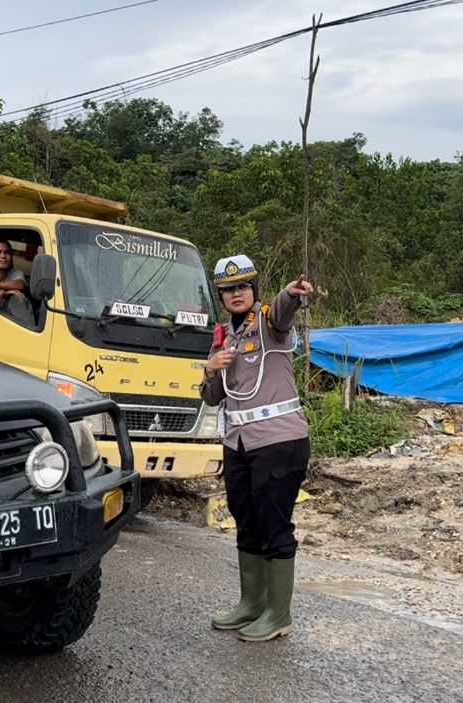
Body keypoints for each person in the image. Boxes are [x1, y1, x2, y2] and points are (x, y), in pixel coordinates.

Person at [199, 254, 314, 642]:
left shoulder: (269, 324)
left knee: (273, 524)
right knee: (245, 520)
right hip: (239, 444)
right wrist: (210, 368)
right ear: (221, 296)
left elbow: (284, 311)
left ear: (254, 290)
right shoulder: (223, 338)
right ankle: (251, 604)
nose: (236, 294)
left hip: (279, 441)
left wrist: (292, 293)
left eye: (243, 287)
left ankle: (278, 614)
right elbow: (213, 397)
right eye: (228, 289)